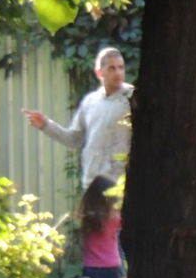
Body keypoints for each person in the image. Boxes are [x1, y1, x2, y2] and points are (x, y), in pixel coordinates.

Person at [22, 47, 134, 188]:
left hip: (120, 183)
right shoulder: (90, 101)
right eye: (112, 68)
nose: (118, 73)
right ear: (100, 72)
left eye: (121, 67)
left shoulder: (132, 98)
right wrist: (45, 124)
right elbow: (73, 139)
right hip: (91, 182)